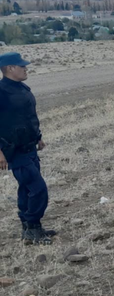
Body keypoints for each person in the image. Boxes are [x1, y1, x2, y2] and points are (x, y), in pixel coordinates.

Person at [0, 52, 56, 244]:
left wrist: (38, 137)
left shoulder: (22, 88)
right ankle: (32, 227)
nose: (26, 69)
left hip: (29, 147)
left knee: (26, 188)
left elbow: (28, 116)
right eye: (22, 66)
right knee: (39, 189)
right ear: (9, 69)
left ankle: (29, 227)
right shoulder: (1, 92)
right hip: (14, 151)